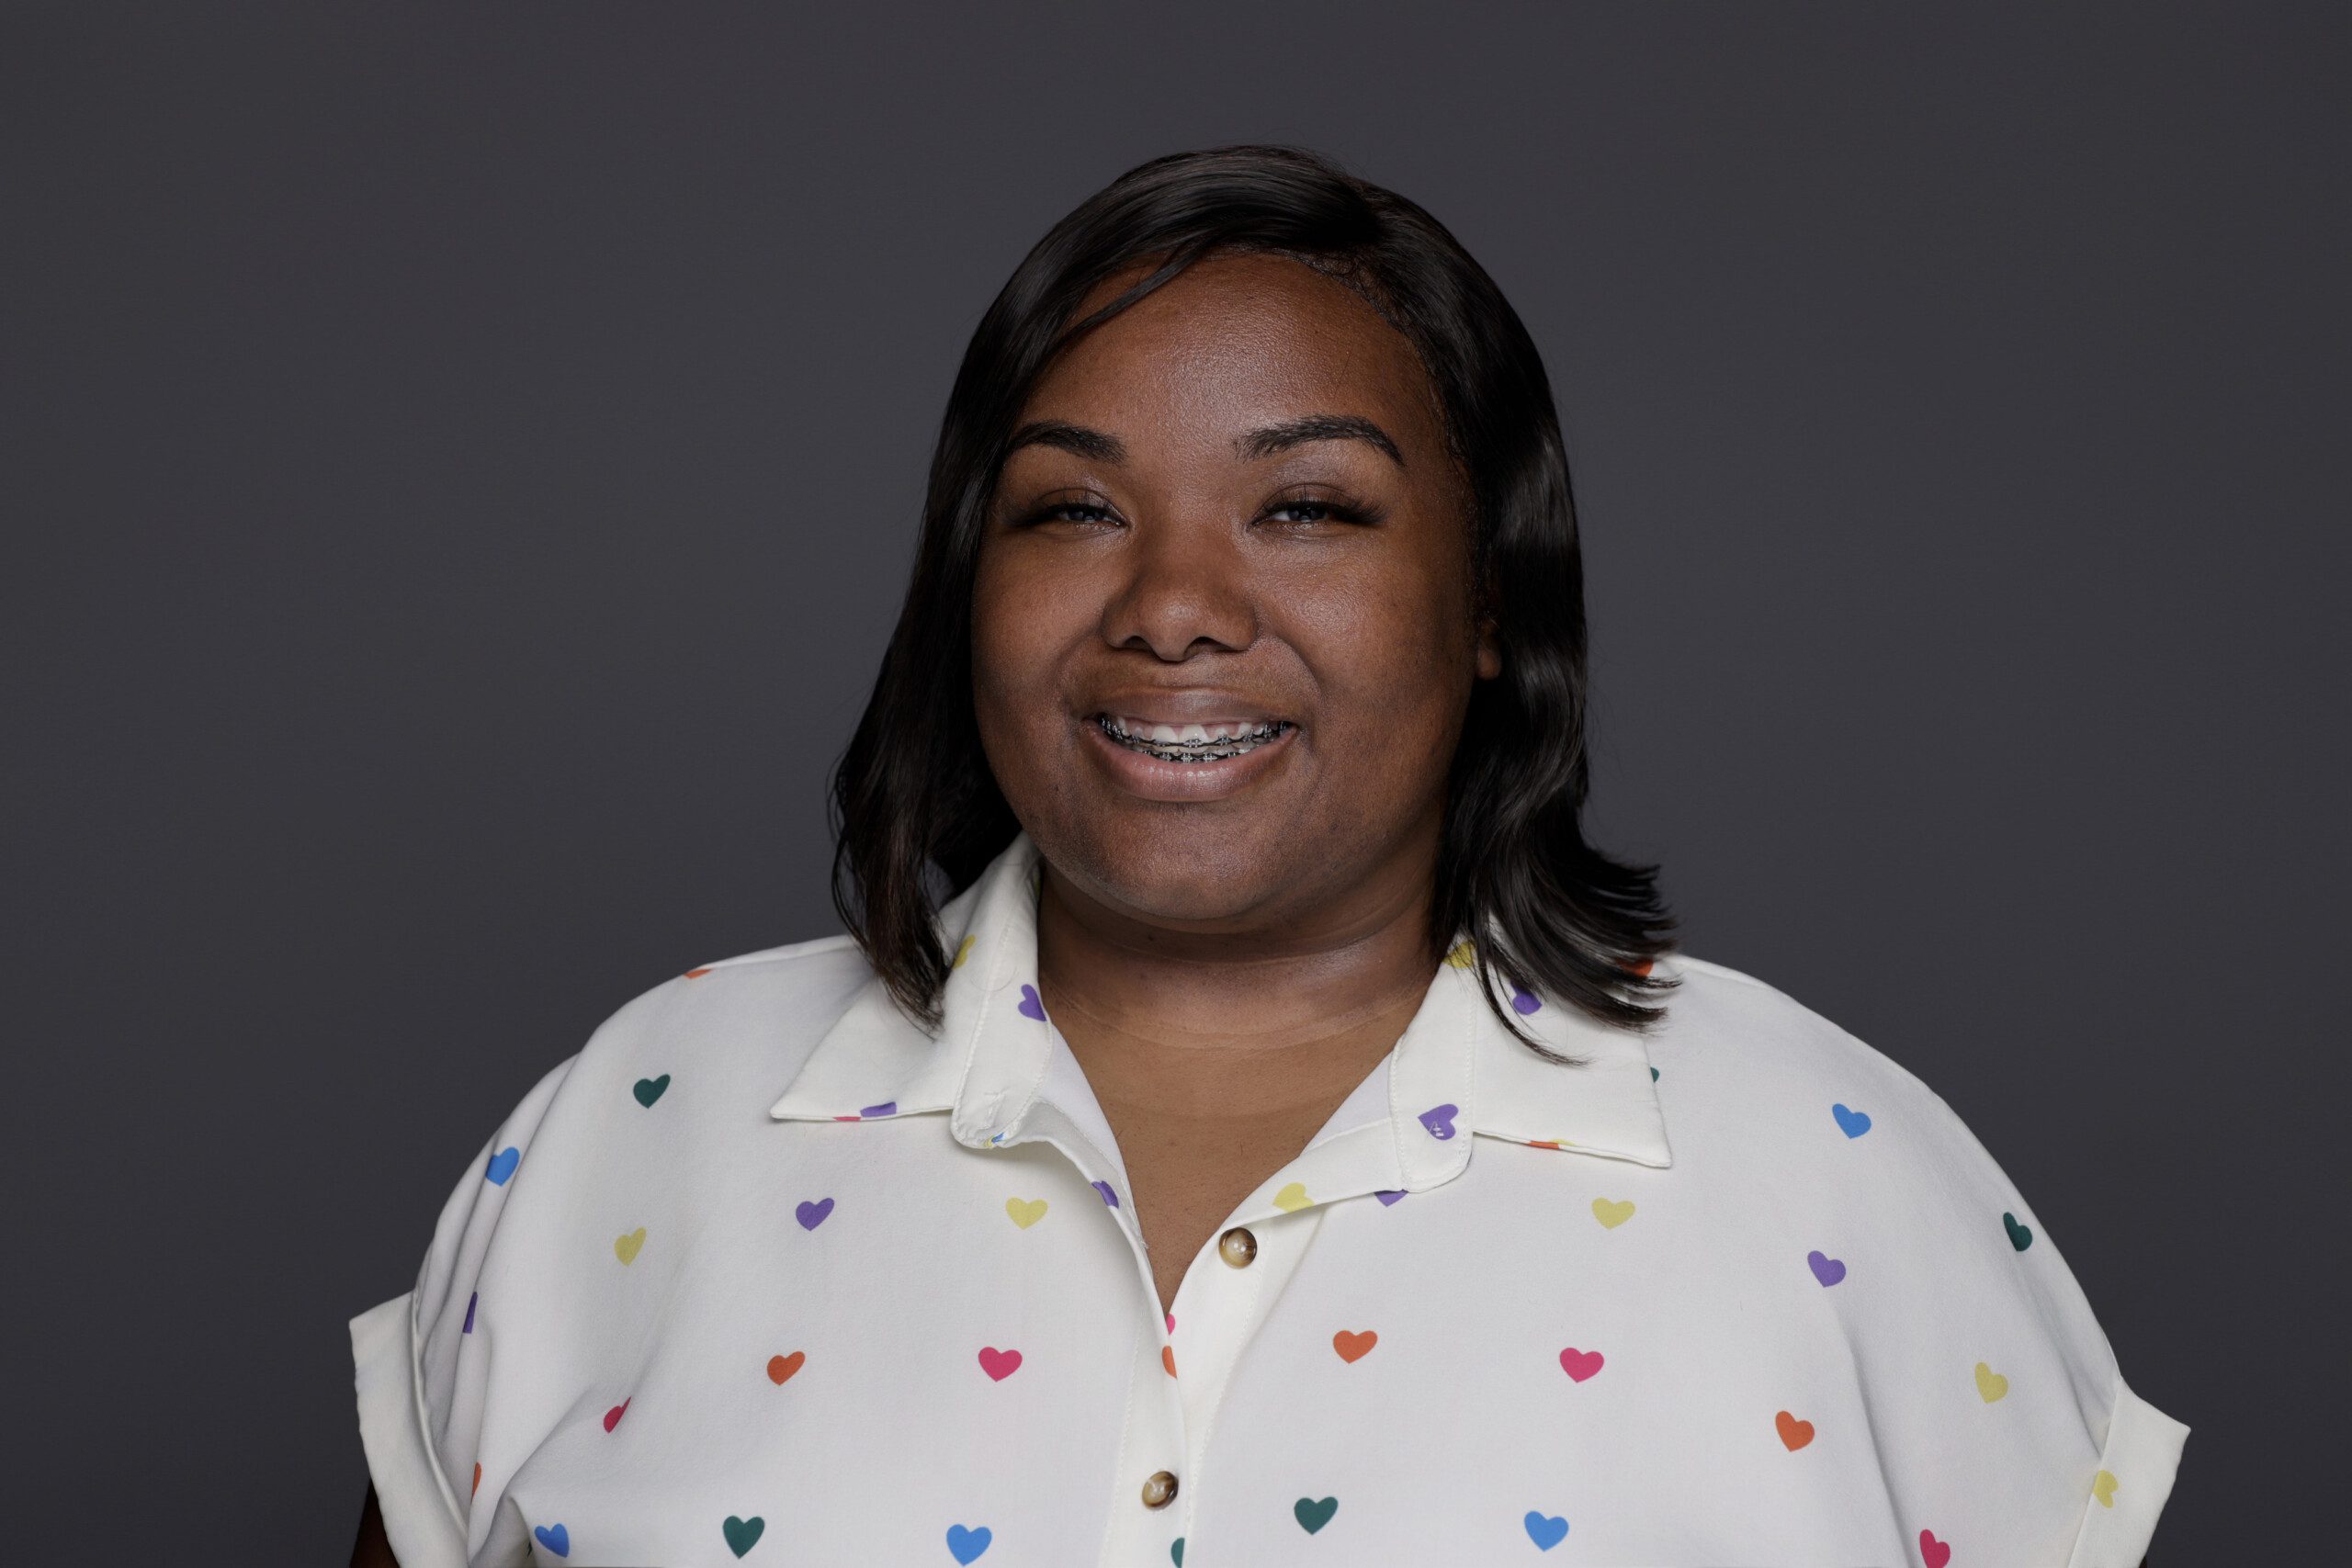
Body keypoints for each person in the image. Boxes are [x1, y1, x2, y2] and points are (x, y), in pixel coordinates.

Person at [349, 144, 2184, 1568]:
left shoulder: (1832, 1176)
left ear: (1488, 600)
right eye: (1072, 507)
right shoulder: (639, 1121)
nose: (1171, 607)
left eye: (1305, 507)